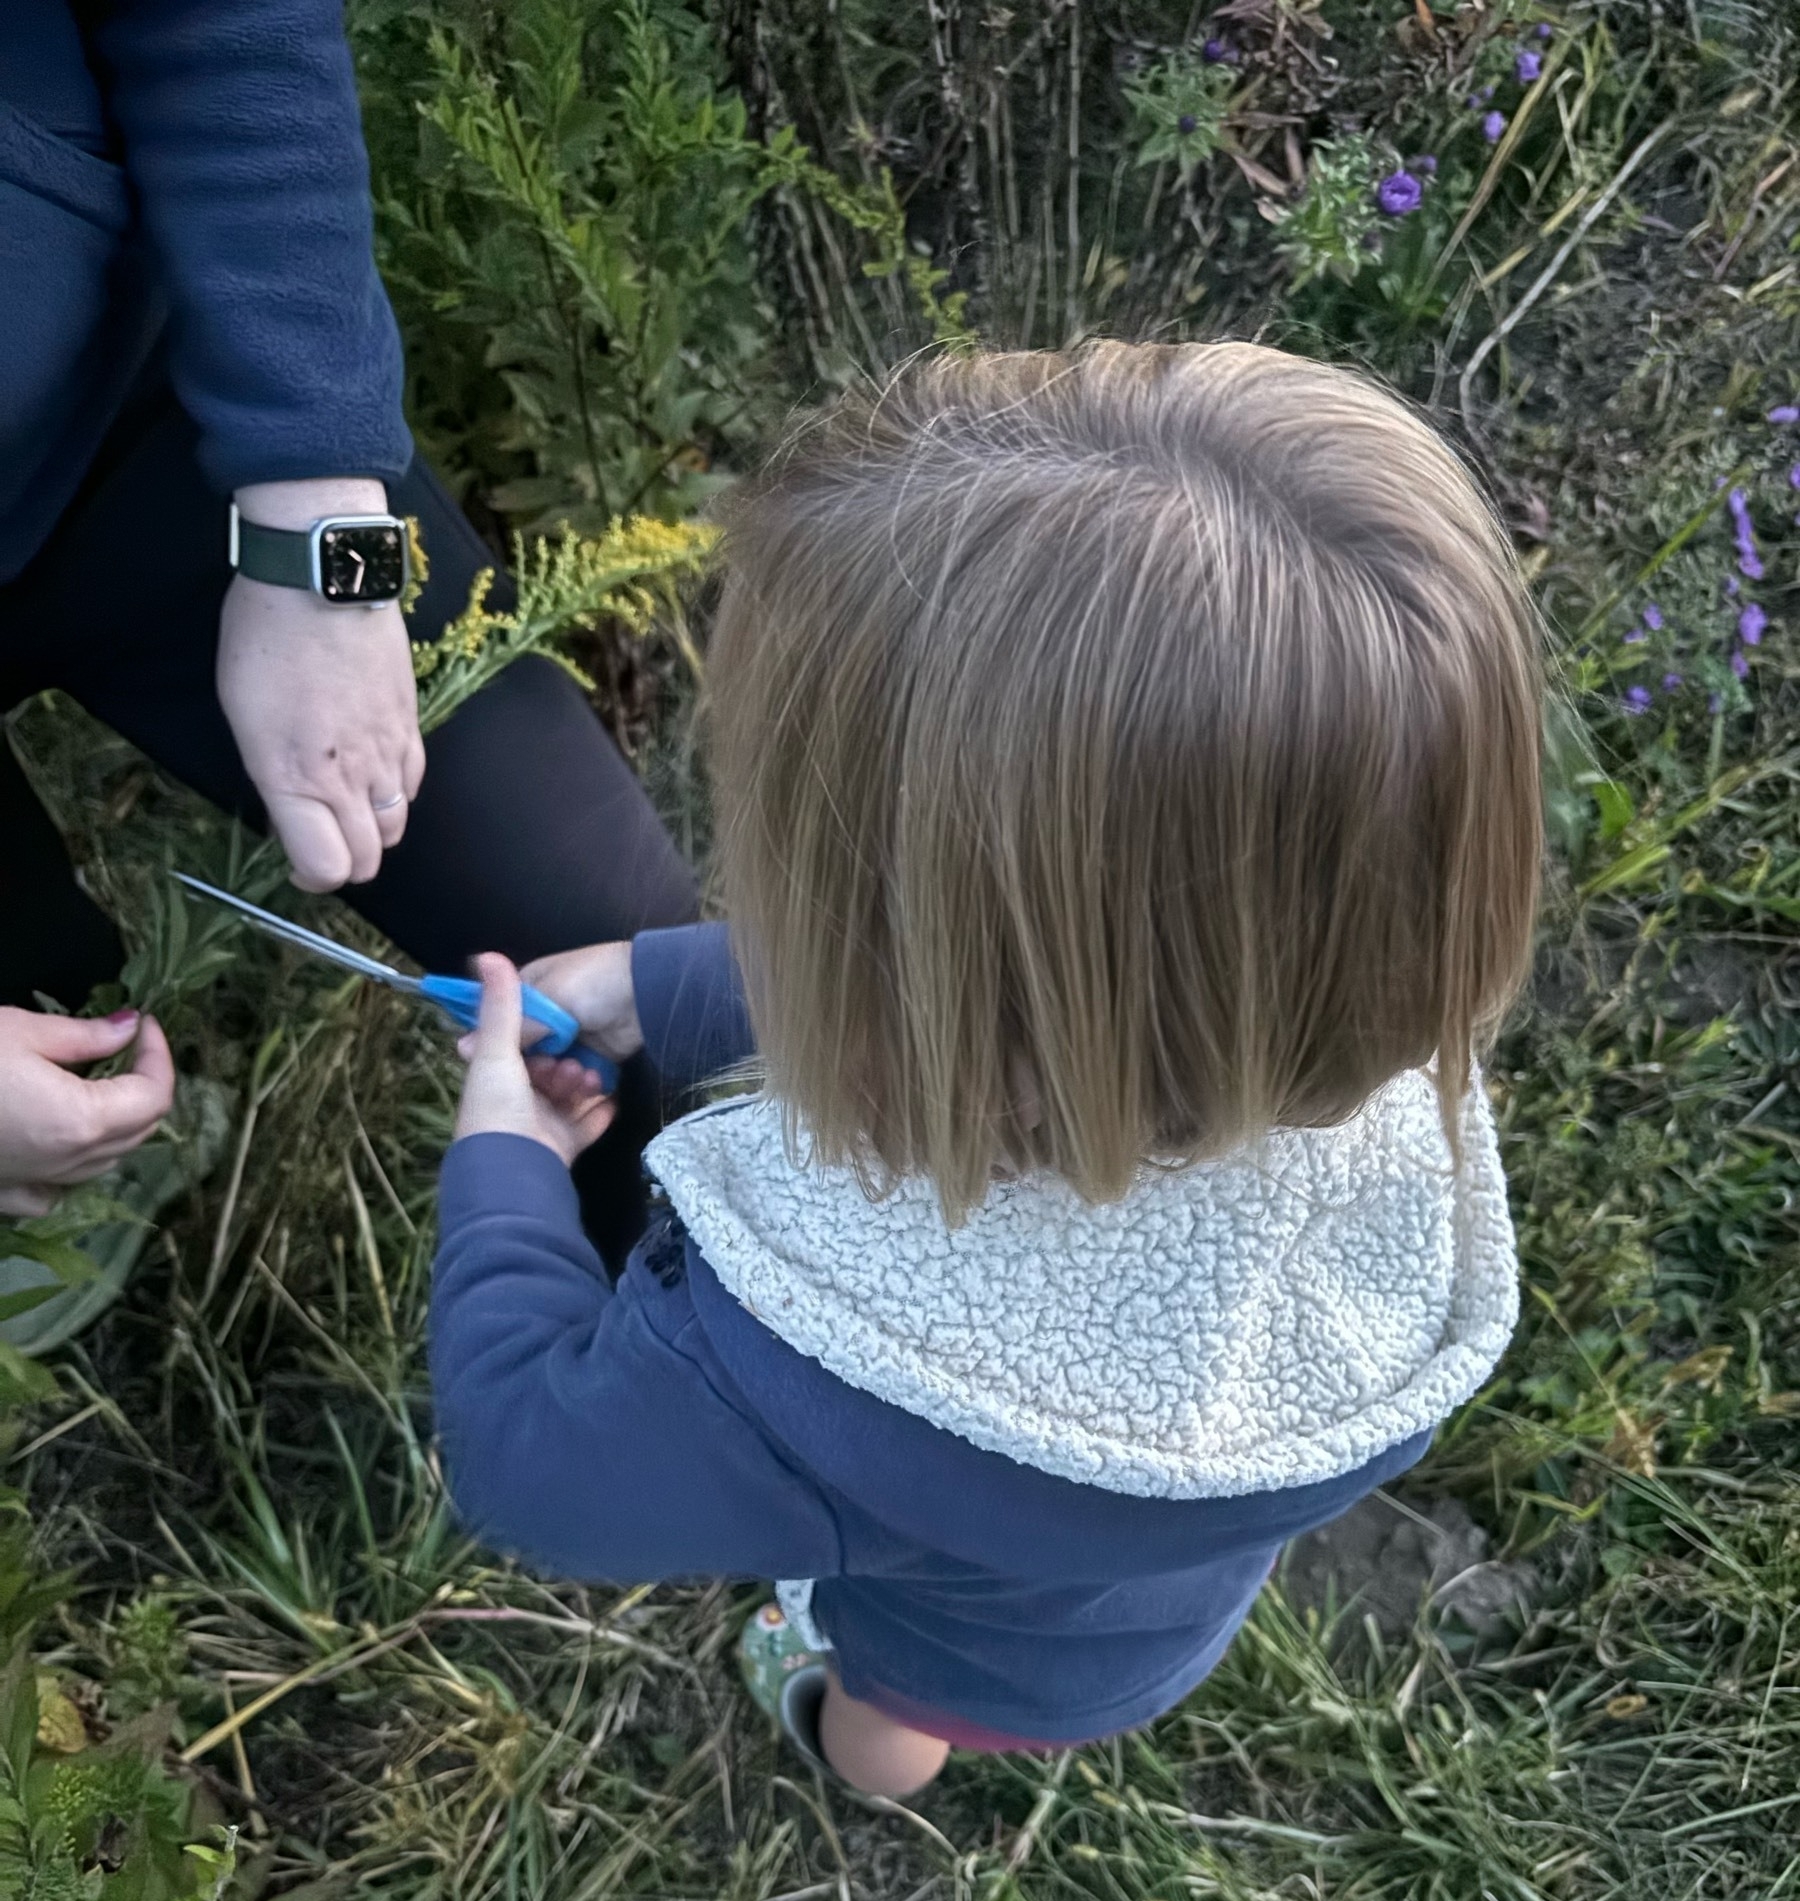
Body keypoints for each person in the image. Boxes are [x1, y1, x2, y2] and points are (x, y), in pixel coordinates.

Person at [429, 341, 1542, 1798]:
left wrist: (504, 1171)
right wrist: (652, 986)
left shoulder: (815, 1361)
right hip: (1157, 1610)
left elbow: (531, 1466)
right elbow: (994, 994)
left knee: (892, 1726)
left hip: (952, 1652)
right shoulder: (1375, 1138)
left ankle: (845, 1744)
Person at [0, 0, 697, 1265]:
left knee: (614, 941)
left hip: (132, 410)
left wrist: (322, 537)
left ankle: (696, 1392)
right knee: (49, 1029)